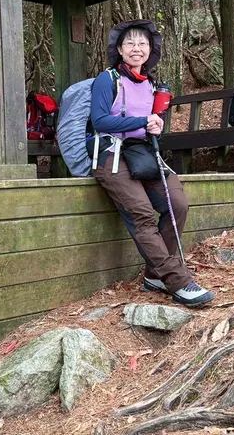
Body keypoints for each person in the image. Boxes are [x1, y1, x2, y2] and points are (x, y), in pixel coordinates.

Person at [88, 19, 214, 308]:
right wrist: (143, 122)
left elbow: (153, 121)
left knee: (176, 204)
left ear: (150, 50)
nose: (137, 48)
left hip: (142, 154)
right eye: (130, 43)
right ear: (119, 49)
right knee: (143, 214)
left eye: (142, 43)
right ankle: (179, 282)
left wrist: (156, 125)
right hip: (111, 155)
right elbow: (100, 120)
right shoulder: (107, 80)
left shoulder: (151, 84)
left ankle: (155, 275)